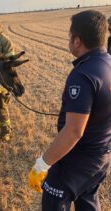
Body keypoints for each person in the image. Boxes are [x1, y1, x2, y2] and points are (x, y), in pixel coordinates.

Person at [28, 10, 111, 211]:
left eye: (69, 36)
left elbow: (74, 131)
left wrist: (42, 164)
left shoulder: (82, 75)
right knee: (87, 200)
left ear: (76, 40)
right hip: (102, 155)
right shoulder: (107, 62)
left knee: (53, 196)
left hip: (79, 159)